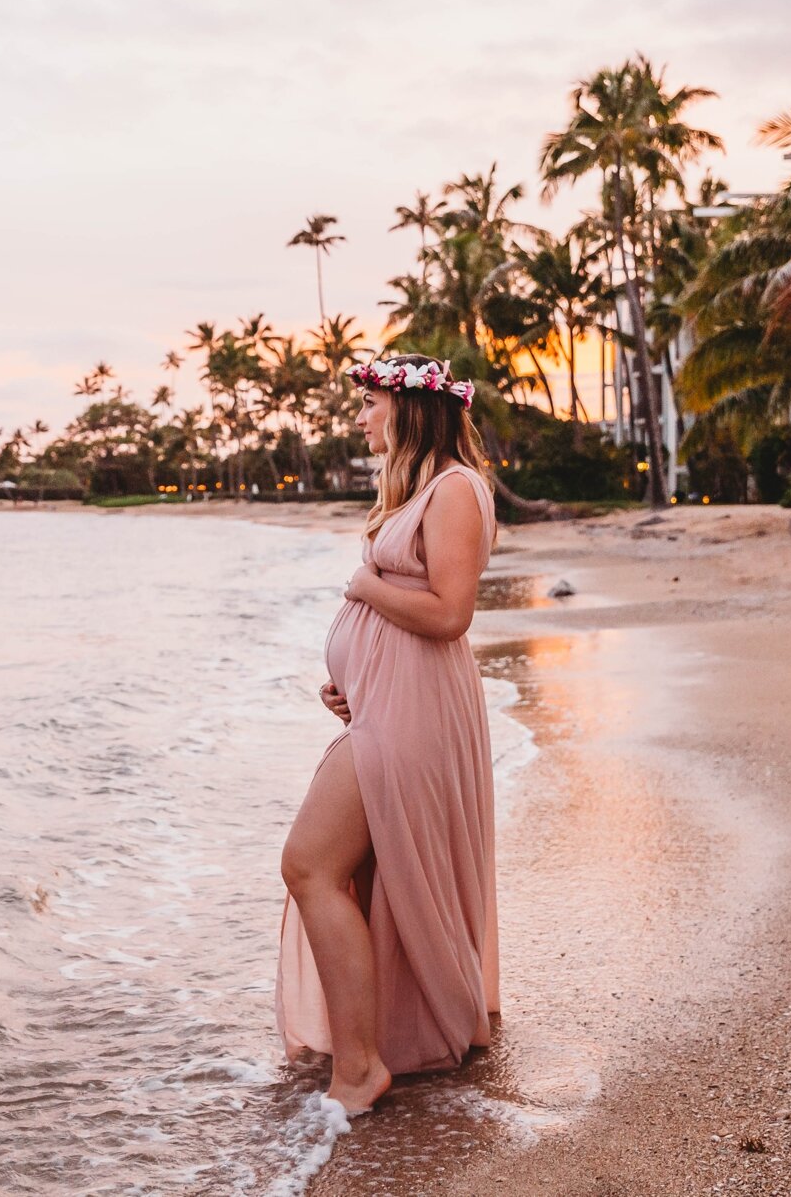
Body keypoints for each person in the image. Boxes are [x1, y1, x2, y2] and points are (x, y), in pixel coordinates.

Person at [275, 353, 500, 1116]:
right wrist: (353, 680)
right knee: (364, 883)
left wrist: (366, 588)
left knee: (308, 864)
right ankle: (370, 1047)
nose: (363, 418)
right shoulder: (416, 493)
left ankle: (361, 1068)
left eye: (370, 404)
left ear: (409, 410)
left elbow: (449, 614)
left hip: (416, 718)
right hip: (385, 710)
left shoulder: (456, 489)